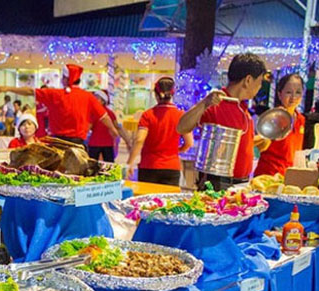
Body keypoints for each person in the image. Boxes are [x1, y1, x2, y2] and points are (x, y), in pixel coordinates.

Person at [177, 53, 270, 190]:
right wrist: (204, 103)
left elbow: (238, 144)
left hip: (241, 183)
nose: (260, 87)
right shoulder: (216, 102)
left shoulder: (243, 108)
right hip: (217, 183)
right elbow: (181, 127)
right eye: (260, 82)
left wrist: (259, 140)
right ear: (248, 80)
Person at [0, 64, 122, 147]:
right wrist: (112, 129)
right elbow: (104, 116)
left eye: (63, 77)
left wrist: (7, 88)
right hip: (78, 145)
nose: (62, 80)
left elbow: (30, 91)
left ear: (67, 79)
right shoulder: (88, 97)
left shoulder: (55, 94)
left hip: (57, 143)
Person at [127, 77, 193, 186]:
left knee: (147, 197)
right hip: (172, 167)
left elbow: (139, 140)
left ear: (155, 95)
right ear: (173, 94)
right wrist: (176, 151)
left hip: (149, 166)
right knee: (168, 197)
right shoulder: (181, 116)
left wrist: (130, 162)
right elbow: (189, 143)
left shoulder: (147, 115)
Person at [254, 73, 307, 177]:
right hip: (268, 175)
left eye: (298, 92)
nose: (293, 97)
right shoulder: (274, 117)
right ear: (279, 94)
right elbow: (260, 143)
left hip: (288, 176)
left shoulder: (301, 119)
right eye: (288, 92)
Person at [88, 89, 131, 162]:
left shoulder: (94, 112)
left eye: (96, 98)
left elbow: (89, 127)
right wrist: (127, 141)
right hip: (108, 144)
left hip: (94, 143)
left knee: (92, 165)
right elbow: (117, 127)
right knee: (109, 165)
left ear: (102, 101)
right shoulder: (110, 113)